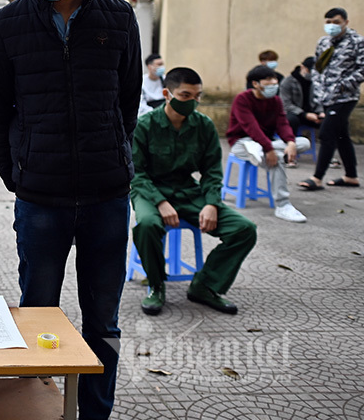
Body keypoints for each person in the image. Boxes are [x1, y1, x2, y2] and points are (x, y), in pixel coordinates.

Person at [0, 0, 141, 420]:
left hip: (105, 199)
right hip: (40, 200)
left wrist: (116, 161)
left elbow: (128, 102)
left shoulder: (118, 20)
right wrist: (17, 176)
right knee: (38, 317)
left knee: (103, 322)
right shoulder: (4, 28)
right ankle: (35, 418)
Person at [131, 67, 258, 316]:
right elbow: (136, 172)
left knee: (244, 229)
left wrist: (211, 203)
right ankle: (156, 286)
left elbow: (211, 171)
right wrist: (160, 202)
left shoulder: (204, 125)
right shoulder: (144, 126)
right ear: (167, 93)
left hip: (188, 191)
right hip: (149, 191)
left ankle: (205, 285)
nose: (193, 102)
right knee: (147, 225)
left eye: (198, 96)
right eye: (186, 95)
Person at [226, 65, 309, 222]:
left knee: (303, 142)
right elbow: (251, 127)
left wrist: (290, 142)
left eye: (274, 79)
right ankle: (283, 206)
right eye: (269, 80)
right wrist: (269, 148)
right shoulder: (242, 99)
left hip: (265, 143)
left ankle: (273, 154)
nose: (274, 82)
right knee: (276, 158)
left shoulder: (275, 101)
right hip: (242, 143)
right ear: (256, 84)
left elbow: (282, 123)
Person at [300, 7, 364, 191]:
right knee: (342, 135)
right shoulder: (323, 42)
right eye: (328, 22)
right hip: (326, 97)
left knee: (327, 133)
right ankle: (351, 176)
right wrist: (319, 89)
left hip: (345, 97)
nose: (332, 26)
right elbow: (319, 67)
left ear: (346, 22)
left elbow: (362, 69)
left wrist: (341, 86)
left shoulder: (357, 42)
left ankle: (317, 177)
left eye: (336, 22)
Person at [280, 57, 324, 168]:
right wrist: (304, 114)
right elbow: (286, 104)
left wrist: (321, 113)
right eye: (310, 71)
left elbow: (319, 100)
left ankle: (327, 156)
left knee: (329, 122)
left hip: (312, 114)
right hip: (295, 113)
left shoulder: (316, 82)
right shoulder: (288, 82)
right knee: (291, 120)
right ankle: (289, 156)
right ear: (303, 67)